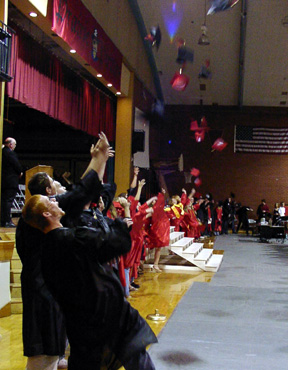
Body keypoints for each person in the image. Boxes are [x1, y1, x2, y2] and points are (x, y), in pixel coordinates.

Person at [22, 194, 157, 370]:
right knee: (138, 360)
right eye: (51, 201)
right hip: (106, 315)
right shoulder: (72, 238)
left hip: (83, 325)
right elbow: (117, 243)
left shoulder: (47, 251)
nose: (56, 201)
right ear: (47, 214)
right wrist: (120, 225)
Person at [16, 133, 113, 370]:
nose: (58, 202)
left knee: (52, 355)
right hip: (42, 300)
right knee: (43, 358)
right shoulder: (37, 224)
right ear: (47, 210)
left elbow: (82, 193)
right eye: (53, 201)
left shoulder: (42, 219)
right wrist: (98, 160)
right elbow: (79, 194)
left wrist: (99, 160)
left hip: (52, 297)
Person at [1, 137, 23, 227]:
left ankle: (3, 220)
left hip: (4, 181)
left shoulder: (2, 152)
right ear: (10, 144)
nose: (14, 146)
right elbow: (16, 165)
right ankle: (6, 221)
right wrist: (20, 172)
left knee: (4, 201)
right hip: (10, 181)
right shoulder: (9, 153)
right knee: (8, 201)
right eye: (14, 144)